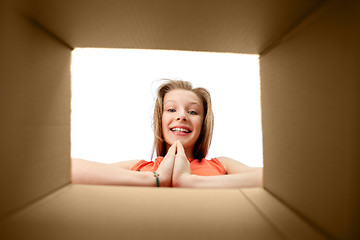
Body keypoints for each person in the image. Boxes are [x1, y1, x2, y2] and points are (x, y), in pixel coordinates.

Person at [72, 80, 262, 188]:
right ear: (159, 120)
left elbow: (275, 179)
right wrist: (155, 178)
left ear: (203, 125)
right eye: (171, 110)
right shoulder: (139, 167)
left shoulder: (222, 165)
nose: (182, 116)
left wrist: (190, 182)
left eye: (193, 112)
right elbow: (68, 170)